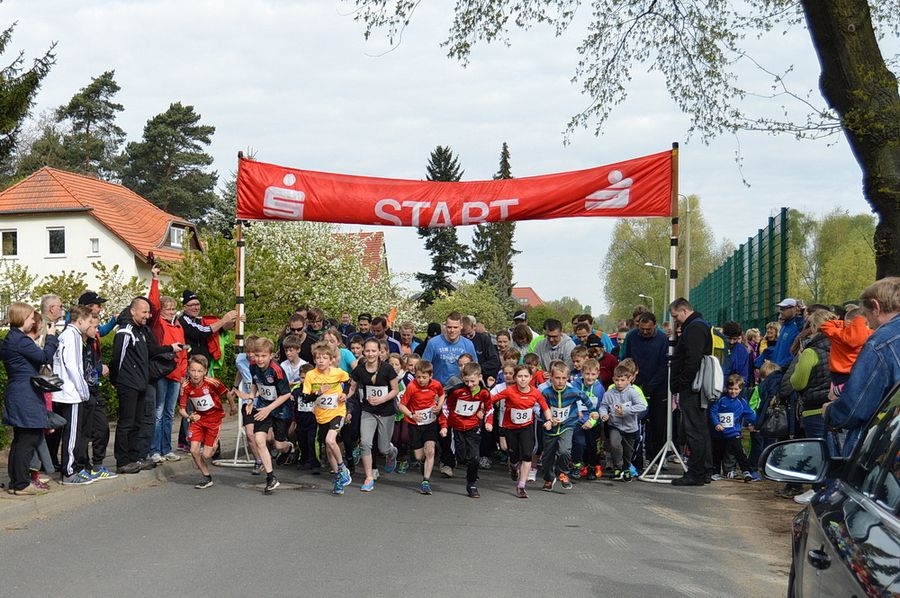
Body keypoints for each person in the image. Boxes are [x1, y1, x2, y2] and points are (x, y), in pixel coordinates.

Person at [825, 277, 900, 456]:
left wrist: (831, 411)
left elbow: (855, 408)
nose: (869, 324)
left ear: (876, 306)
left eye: (866, 316)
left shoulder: (881, 342)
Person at [111, 297, 182, 474]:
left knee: (138, 422)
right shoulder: (125, 332)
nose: (147, 315)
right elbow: (116, 359)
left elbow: (151, 351)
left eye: (148, 312)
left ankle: (136, 458)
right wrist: (116, 381)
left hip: (141, 382)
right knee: (126, 423)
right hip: (128, 384)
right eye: (144, 312)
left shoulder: (141, 330)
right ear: (133, 311)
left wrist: (170, 349)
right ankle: (122, 461)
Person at [2, 302, 58, 495]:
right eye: (30, 318)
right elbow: (44, 357)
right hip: (25, 394)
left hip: (19, 391)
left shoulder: (12, 338)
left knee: (21, 438)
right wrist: (51, 338)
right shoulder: (21, 340)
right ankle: (21, 483)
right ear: (21, 318)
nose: (33, 321)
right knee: (29, 437)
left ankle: (18, 481)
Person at [668, 297, 713, 487]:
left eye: (676, 316)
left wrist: (682, 382)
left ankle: (695, 472)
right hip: (694, 384)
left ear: (684, 311)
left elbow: (692, 359)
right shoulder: (698, 326)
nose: (675, 321)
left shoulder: (694, 328)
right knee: (699, 428)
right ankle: (704, 470)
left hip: (692, 387)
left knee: (694, 430)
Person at [490, 365, 552, 498]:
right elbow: (491, 399)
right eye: (519, 376)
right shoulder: (509, 391)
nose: (522, 379)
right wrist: (482, 408)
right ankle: (513, 467)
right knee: (514, 456)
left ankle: (521, 486)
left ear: (530, 378)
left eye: (525, 376)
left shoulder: (535, 392)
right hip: (510, 428)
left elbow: (545, 407)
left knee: (527, 455)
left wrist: (549, 420)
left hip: (526, 427)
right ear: (515, 378)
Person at [49, 305, 94, 484]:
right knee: (72, 434)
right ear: (80, 320)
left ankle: (68, 468)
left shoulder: (64, 334)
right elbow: (73, 366)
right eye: (89, 321)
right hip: (71, 393)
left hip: (61, 391)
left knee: (66, 433)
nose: (90, 325)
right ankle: (69, 472)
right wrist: (84, 391)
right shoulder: (73, 335)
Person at [348, 337, 400, 492]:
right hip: (368, 411)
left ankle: (392, 452)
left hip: (386, 411)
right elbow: (352, 387)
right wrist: (346, 396)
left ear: (379, 352)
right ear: (364, 351)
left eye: (373, 351)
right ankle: (369, 477)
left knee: (383, 448)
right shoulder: (359, 369)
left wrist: (382, 399)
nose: (370, 354)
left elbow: (395, 390)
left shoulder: (387, 369)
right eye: (368, 351)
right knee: (365, 443)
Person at [178, 355, 236, 489]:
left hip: (214, 420)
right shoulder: (185, 386)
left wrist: (233, 407)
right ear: (188, 370)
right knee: (193, 451)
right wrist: (189, 416)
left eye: (199, 371)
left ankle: (214, 445)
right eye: (193, 371)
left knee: (206, 454)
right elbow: (181, 409)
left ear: (205, 371)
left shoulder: (212, 382)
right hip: (198, 420)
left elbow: (226, 393)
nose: (196, 374)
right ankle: (206, 477)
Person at [148, 265, 187, 464]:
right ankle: (154, 449)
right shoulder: (157, 323)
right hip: (162, 371)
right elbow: (153, 303)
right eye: (167, 309)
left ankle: (166, 448)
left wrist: (184, 372)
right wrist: (155, 279)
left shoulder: (178, 325)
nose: (170, 312)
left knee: (170, 413)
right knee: (158, 412)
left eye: (173, 309)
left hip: (176, 373)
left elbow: (184, 352)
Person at [301, 341, 351, 495]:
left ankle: (343, 469)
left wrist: (345, 394)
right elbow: (305, 398)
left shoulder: (338, 372)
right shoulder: (311, 375)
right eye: (318, 358)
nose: (321, 361)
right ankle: (338, 479)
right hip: (321, 416)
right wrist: (318, 393)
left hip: (337, 412)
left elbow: (348, 382)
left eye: (324, 358)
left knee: (331, 440)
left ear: (331, 360)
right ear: (314, 360)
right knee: (329, 450)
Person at [245, 337, 293, 494]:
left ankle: (289, 447)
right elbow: (254, 383)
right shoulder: (253, 366)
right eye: (257, 355)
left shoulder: (277, 371)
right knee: (259, 439)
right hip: (263, 406)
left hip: (280, 409)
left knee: (279, 445)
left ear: (271, 355)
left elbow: (286, 394)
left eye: (263, 356)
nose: (259, 359)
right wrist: (251, 398)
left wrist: (269, 409)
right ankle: (271, 478)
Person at [621, 312, 668, 464]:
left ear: (655, 325)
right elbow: (627, 358)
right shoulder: (632, 336)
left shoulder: (662, 339)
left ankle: (656, 458)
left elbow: (664, 366)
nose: (645, 332)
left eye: (648, 329)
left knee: (657, 425)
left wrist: (651, 386)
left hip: (657, 386)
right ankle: (636, 458)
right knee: (634, 423)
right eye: (642, 329)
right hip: (636, 383)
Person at [439, 361, 492, 498]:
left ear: (480, 377)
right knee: (462, 458)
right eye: (467, 381)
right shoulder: (456, 391)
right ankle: (463, 463)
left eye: (473, 381)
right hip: (456, 427)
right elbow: (446, 407)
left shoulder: (484, 393)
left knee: (474, 458)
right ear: (463, 378)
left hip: (473, 427)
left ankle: (471, 484)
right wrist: (444, 425)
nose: (470, 384)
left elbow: (489, 408)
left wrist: (488, 422)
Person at [540, 361, 593, 491]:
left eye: (564, 378)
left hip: (567, 425)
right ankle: (548, 478)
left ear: (568, 378)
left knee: (564, 450)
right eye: (557, 378)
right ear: (551, 378)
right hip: (550, 429)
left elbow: (585, 397)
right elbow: (540, 408)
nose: (560, 381)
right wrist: (547, 420)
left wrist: (593, 411)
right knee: (547, 457)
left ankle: (563, 473)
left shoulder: (572, 391)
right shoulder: (545, 393)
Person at [398, 360, 445, 495]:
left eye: (424, 377)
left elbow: (442, 395)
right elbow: (402, 406)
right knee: (419, 456)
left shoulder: (436, 385)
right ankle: (424, 464)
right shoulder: (412, 387)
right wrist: (412, 415)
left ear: (431, 376)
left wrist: (439, 406)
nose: (421, 380)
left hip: (430, 422)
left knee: (430, 450)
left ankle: (425, 481)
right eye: (418, 377)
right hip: (415, 424)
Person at [599, 363, 647, 481]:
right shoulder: (610, 393)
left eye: (622, 380)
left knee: (627, 450)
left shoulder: (633, 392)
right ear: (613, 379)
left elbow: (642, 406)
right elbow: (603, 406)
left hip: (630, 426)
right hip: (614, 425)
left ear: (628, 379)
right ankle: (618, 467)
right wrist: (604, 414)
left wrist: (626, 410)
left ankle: (626, 468)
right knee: (615, 445)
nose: (619, 383)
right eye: (617, 380)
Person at [708, 374, 756, 482]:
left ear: (740, 389)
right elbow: (713, 412)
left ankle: (746, 471)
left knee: (739, 451)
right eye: (730, 389)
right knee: (717, 452)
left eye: (736, 389)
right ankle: (715, 472)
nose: (733, 391)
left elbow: (750, 414)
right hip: (719, 433)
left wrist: (755, 424)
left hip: (733, 432)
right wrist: (716, 424)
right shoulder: (721, 399)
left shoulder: (741, 402)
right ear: (727, 388)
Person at [571, 357, 605, 480]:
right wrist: (577, 412)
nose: (589, 377)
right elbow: (570, 401)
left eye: (593, 374)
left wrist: (592, 421)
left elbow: (601, 407)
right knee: (579, 443)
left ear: (598, 374)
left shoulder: (599, 388)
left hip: (593, 423)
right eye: (587, 374)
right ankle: (577, 466)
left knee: (592, 445)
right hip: (577, 421)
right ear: (582, 373)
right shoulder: (575, 385)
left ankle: (591, 468)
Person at [461, 315, 499, 385]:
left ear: (474, 327)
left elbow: (494, 361)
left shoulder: (484, 339)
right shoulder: (459, 342)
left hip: (482, 379)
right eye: (464, 335)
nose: (467, 337)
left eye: (469, 334)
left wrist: (476, 369)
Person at [771, 298, 805, 368]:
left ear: (794, 309)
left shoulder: (798, 327)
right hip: (777, 368)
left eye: (784, 308)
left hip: (784, 370)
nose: (781, 311)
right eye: (780, 308)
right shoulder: (784, 326)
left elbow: (795, 353)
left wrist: (781, 366)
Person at [721, 321, 750, 387]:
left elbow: (743, 376)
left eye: (734, 339)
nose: (731, 342)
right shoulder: (741, 350)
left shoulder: (742, 351)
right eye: (729, 338)